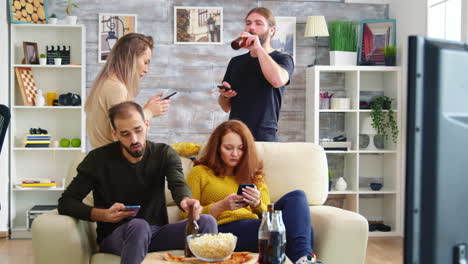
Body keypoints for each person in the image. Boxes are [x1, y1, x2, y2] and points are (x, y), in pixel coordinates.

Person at [58, 101, 217, 264]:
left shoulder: (164, 153)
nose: (134, 139)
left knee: (207, 222)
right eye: (125, 134)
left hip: (157, 234)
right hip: (117, 236)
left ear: (147, 125)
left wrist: (185, 200)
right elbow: (66, 203)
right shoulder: (97, 159)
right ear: (115, 134)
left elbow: (177, 184)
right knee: (139, 226)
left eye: (138, 130)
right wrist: (103, 215)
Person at [181, 120, 315, 264]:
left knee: (297, 197)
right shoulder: (200, 172)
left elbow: (268, 214)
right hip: (223, 230)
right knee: (302, 232)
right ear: (217, 147)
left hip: (257, 226)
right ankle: (302, 257)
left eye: (241, 148)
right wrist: (221, 206)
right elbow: (184, 216)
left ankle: (302, 259)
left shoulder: (254, 175)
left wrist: (257, 203)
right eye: (228, 148)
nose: (235, 154)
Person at [218, 7, 294, 142]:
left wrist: (258, 48)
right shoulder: (236, 62)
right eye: (248, 23)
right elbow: (225, 107)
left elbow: (277, 81)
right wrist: (225, 96)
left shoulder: (282, 59)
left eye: (258, 23)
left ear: (272, 30)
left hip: (264, 135)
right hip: (235, 134)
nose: (251, 27)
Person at [85, 33, 171, 149]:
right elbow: (125, 133)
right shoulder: (116, 87)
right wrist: (149, 111)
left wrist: (143, 110)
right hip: (111, 162)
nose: (146, 70)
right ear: (130, 58)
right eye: (145, 62)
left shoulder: (107, 82)